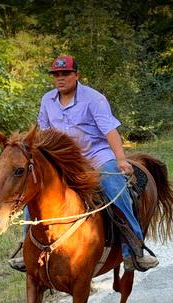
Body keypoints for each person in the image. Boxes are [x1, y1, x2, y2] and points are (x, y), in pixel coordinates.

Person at [9, 54, 158, 272]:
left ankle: (133, 249)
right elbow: (42, 134)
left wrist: (121, 160)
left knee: (114, 186)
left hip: (96, 154)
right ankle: (26, 250)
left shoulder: (93, 99)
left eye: (66, 74)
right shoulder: (47, 100)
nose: (61, 78)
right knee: (34, 189)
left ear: (76, 75)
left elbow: (110, 131)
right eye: (56, 74)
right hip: (64, 159)